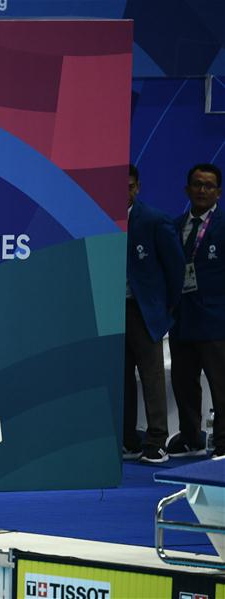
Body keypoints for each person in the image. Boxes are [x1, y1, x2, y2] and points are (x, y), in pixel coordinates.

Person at [123, 164, 184, 463]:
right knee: (120, 377)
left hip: (143, 310)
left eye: (130, 186)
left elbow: (176, 270)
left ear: (138, 187)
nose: (125, 192)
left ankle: (156, 440)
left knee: (152, 376)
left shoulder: (154, 220)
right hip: (110, 311)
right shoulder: (100, 219)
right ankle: (128, 439)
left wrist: (164, 306)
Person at [167, 163, 225, 459]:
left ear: (218, 192)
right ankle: (191, 437)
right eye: (197, 184)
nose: (202, 190)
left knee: (221, 384)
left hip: (216, 319)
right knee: (184, 381)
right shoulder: (174, 225)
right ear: (187, 189)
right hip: (182, 318)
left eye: (209, 186)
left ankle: (224, 441)